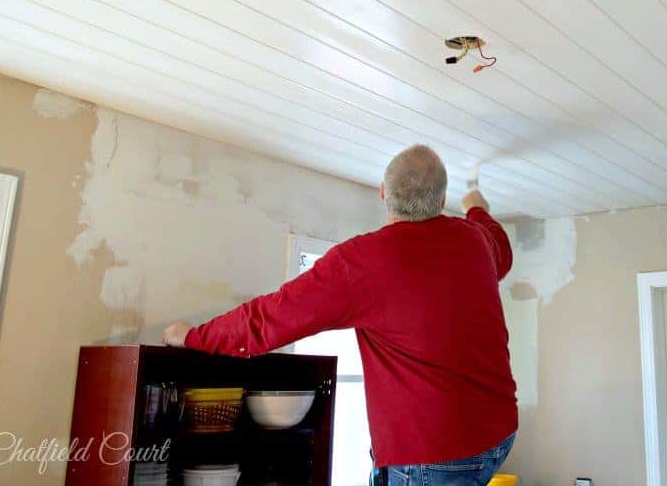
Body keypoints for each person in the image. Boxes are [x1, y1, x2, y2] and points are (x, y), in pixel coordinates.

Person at [163, 144, 517, 486]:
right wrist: (477, 209)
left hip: (435, 455)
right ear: (441, 202)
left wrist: (195, 337)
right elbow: (501, 249)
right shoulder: (475, 241)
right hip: (498, 435)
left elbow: (271, 317)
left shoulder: (362, 262)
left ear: (383, 193)